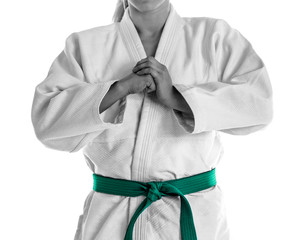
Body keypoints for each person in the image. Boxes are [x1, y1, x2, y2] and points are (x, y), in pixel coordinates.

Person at [31, 0, 273, 239]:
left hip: (194, 217)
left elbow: (258, 104)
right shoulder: (85, 46)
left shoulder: (214, 38)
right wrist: (117, 89)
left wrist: (176, 97)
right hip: (110, 221)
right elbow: (47, 122)